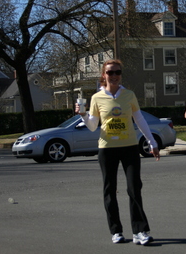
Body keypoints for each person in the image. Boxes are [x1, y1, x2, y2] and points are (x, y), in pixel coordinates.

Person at [76, 59, 160, 245]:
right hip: (107, 149)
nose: (114, 76)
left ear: (121, 75)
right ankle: (116, 231)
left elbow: (139, 119)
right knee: (109, 190)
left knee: (134, 188)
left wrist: (151, 141)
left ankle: (140, 231)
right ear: (103, 76)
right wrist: (83, 115)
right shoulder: (97, 98)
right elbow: (92, 126)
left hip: (129, 146)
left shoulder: (128, 95)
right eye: (110, 72)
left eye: (117, 72)